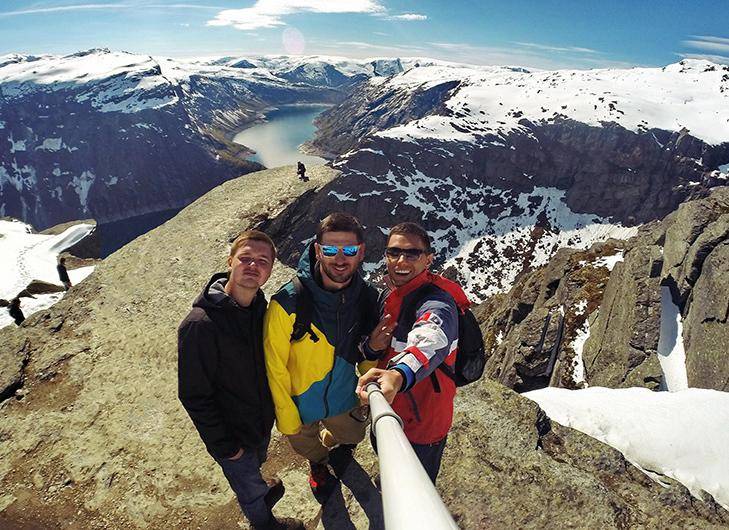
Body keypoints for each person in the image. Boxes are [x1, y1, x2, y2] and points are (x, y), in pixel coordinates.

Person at [178, 230, 303, 530]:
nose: (253, 266)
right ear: (230, 261)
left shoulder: (261, 310)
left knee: (254, 467)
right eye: (245, 258)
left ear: (270, 270)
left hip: (257, 423)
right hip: (232, 436)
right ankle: (264, 522)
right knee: (246, 485)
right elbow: (194, 396)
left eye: (262, 261)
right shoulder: (200, 325)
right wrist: (227, 447)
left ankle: (259, 489)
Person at [264, 212, 379, 502]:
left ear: (361, 252)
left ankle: (333, 445)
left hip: (342, 396)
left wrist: (374, 353)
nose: (339, 259)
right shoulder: (289, 301)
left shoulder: (367, 298)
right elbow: (273, 365)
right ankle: (318, 463)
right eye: (330, 249)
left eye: (348, 250)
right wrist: (286, 415)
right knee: (306, 445)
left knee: (353, 435)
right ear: (317, 250)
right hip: (299, 401)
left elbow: (365, 356)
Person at [356, 222, 471, 484]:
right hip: (389, 407)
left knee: (417, 483)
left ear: (428, 259)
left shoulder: (438, 303)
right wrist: (372, 347)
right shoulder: (390, 295)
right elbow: (373, 345)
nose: (401, 260)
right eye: (394, 252)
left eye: (412, 254)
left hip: (422, 426)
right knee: (389, 461)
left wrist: (399, 374)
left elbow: (430, 338)